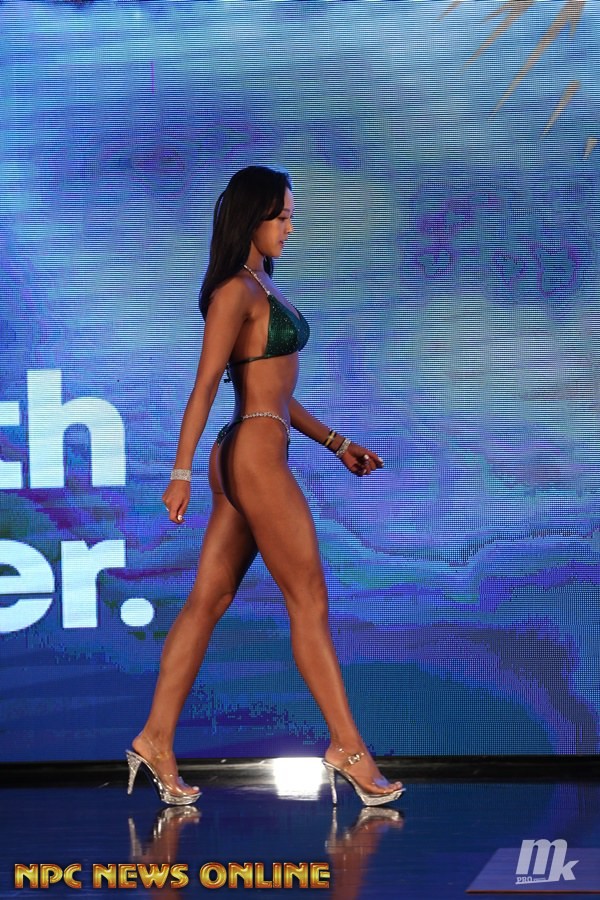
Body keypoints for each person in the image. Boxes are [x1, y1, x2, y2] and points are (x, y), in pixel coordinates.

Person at [126, 166, 404, 808]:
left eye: (291, 215)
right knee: (309, 601)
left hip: (250, 447)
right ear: (251, 217)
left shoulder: (260, 285)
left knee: (207, 601)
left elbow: (277, 393)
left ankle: (155, 738)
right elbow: (204, 385)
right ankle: (348, 748)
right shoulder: (234, 291)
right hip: (252, 456)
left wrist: (338, 443)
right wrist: (179, 473)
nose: (289, 226)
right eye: (282, 215)